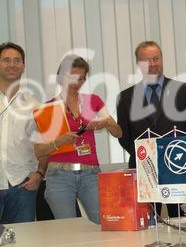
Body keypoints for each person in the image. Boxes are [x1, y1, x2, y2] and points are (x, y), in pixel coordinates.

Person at [33, 55, 122, 224]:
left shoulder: (92, 101)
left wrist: (105, 123)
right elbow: (39, 151)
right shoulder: (48, 109)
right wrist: (59, 141)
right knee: (68, 228)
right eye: (73, 77)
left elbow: (118, 133)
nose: (78, 82)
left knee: (102, 224)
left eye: (82, 78)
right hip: (59, 176)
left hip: (90, 174)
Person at [117, 41, 186, 217]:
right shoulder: (126, 97)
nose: (153, 64)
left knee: (180, 223)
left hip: (177, 167)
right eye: (147, 60)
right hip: (143, 170)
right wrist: (146, 155)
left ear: (162, 59)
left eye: (156, 58)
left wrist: (174, 152)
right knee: (147, 224)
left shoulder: (183, 91)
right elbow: (123, 136)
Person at [0, 42, 46, 224]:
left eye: (17, 60)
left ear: (23, 66)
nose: (12, 64)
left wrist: (39, 174)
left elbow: (44, 146)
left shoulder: (34, 105)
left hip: (22, 186)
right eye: (6, 60)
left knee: (22, 241)